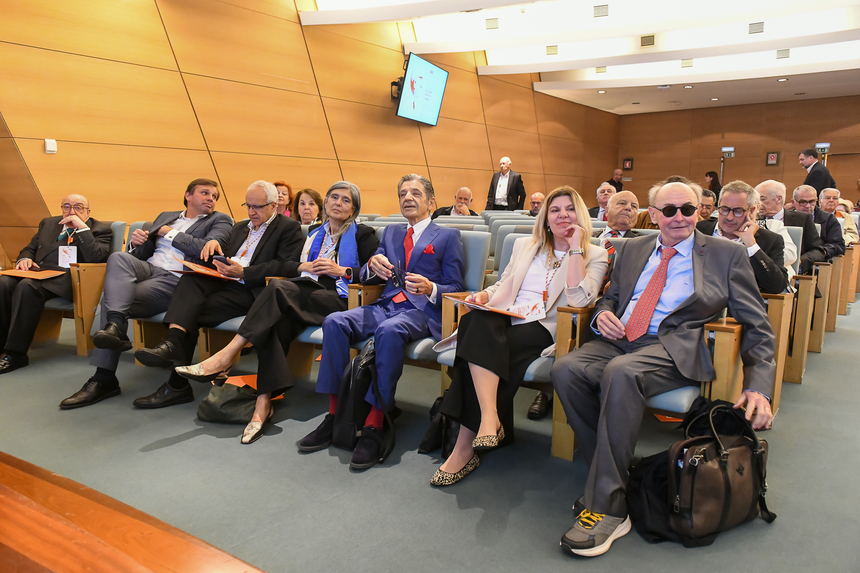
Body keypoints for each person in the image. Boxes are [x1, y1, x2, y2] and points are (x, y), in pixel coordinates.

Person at [551, 179, 776, 557]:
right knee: (566, 369)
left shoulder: (726, 254)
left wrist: (759, 385)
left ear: (698, 211)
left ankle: (609, 507)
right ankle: (613, 476)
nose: (679, 217)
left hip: (672, 347)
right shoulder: (633, 247)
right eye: (669, 210)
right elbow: (611, 298)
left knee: (622, 372)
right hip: (620, 339)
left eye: (688, 209)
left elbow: (756, 323)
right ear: (653, 215)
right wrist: (603, 315)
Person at [175, 182, 378, 443]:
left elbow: (375, 275)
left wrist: (343, 271)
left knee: (279, 289)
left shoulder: (364, 234)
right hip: (305, 292)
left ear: (354, 208)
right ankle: (263, 405)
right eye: (334, 197)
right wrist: (304, 267)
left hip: (340, 298)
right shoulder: (315, 232)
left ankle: (226, 356)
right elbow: (292, 265)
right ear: (326, 203)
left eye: (346, 200)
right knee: (274, 324)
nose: (338, 203)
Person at [431, 186, 608, 485]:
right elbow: (503, 284)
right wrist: (484, 296)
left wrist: (576, 248)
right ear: (546, 217)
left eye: (570, 209)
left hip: (544, 325)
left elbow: (580, 301)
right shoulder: (525, 245)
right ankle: (490, 417)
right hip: (508, 313)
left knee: (480, 349)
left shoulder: (596, 254)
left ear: (580, 214)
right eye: (555, 210)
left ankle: (463, 448)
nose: (563, 215)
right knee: (475, 321)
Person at [298, 174, 465, 470]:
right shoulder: (391, 232)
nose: (408, 198)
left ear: (431, 202)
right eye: (403, 193)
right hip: (385, 304)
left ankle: (375, 423)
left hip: (421, 311)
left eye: (415, 193)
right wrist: (372, 264)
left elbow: (457, 286)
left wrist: (431, 287)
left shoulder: (447, 236)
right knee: (334, 321)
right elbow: (367, 274)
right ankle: (335, 415)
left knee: (389, 331)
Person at [59, 179, 233, 409]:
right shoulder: (166, 216)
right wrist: (136, 244)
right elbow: (142, 254)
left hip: (179, 280)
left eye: (214, 196)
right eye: (205, 193)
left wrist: (169, 233)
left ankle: (104, 376)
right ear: (188, 195)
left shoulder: (220, 220)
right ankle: (115, 328)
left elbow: (207, 250)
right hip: (148, 269)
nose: (211, 198)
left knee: (112, 300)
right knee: (119, 257)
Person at [130, 181, 304, 408]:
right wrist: (216, 254)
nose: (252, 212)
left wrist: (245, 272)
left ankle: (176, 383)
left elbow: (287, 265)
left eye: (258, 207)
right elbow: (223, 251)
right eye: (248, 206)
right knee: (191, 279)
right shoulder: (240, 227)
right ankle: (174, 344)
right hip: (226, 283)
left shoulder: (288, 227)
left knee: (190, 312)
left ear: (273, 205)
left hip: (254, 291)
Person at [528, 190, 642, 421]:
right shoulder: (583, 235)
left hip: (604, 307)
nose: (628, 209)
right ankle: (546, 391)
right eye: (622, 203)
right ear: (605, 209)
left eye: (634, 205)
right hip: (571, 302)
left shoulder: (640, 244)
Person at [0, 195, 112, 374]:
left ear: (88, 212)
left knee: (26, 286)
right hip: (38, 273)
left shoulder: (101, 230)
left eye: (78, 207)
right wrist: (24, 259)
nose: (71, 211)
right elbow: (29, 249)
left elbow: (96, 258)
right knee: (3, 283)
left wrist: (82, 229)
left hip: (70, 280)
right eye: (66, 206)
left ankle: (15, 353)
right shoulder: (48, 224)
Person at [697, 181, 787, 294]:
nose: (729, 217)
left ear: (751, 211)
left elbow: (776, 286)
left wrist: (751, 245)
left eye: (738, 211)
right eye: (724, 209)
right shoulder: (699, 230)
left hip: (740, 302)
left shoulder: (769, 241)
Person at [756, 180, 826, 274]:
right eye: (756, 200)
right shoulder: (753, 220)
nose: (758, 204)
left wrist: (800, 261)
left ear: (779, 199)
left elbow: (817, 251)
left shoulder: (802, 219)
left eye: (763, 199)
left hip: (795, 273)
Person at [793, 184, 845, 259]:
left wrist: (821, 252)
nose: (808, 206)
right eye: (803, 202)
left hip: (817, 261)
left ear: (816, 201)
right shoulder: (786, 218)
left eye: (812, 202)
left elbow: (838, 246)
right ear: (793, 202)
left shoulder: (828, 219)